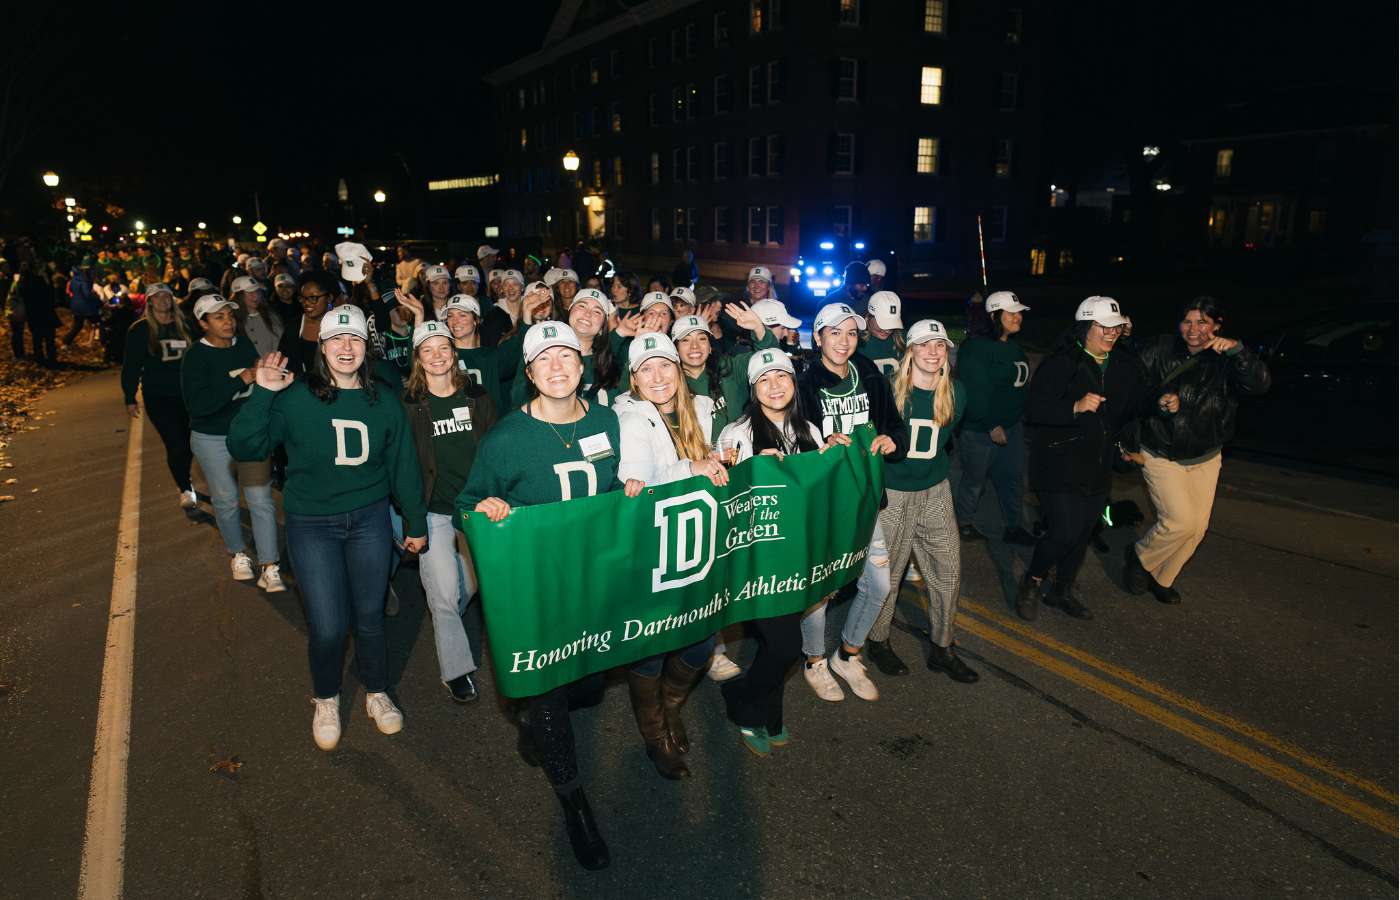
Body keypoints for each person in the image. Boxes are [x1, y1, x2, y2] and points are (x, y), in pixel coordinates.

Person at [457, 321, 645, 871]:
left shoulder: (607, 420)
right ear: (530, 372)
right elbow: (465, 504)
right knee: (551, 693)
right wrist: (483, 512)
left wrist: (625, 489)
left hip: (591, 582)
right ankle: (576, 806)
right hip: (535, 587)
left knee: (589, 680)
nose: (559, 367)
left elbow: (605, 490)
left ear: (582, 366)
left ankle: (530, 722)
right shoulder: (505, 439)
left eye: (567, 356)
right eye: (545, 360)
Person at [227, 304, 425, 750]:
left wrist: (414, 520)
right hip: (311, 524)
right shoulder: (295, 396)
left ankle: (377, 692)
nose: (346, 347)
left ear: (366, 347)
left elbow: (403, 466)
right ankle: (326, 698)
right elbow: (245, 446)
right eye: (335, 338)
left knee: (371, 618)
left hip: (371, 520)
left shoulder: (384, 400)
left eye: (354, 338)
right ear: (321, 347)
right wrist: (262, 392)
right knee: (329, 625)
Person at [613, 332, 727, 780]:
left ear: (679, 369)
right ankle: (655, 735)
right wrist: (691, 468)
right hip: (652, 546)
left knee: (700, 638)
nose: (658, 377)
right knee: (651, 646)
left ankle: (670, 706)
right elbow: (638, 486)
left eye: (665, 366)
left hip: (697, 540)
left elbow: (726, 450)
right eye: (646, 369)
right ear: (634, 379)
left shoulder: (700, 407)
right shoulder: (628, 416)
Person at [1021, 296, 1166, 621]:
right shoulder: (1063, 362)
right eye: (1105, 327)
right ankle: (1031, 580)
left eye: (1116, 327)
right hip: (1057, 463)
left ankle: (1062, 591)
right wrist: (1074, 407)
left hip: (1097, 464)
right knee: (1065, 533)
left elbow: (1138, 400)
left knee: (1083, 534)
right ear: (1086, 326)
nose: (1112, 333)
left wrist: (1160, 403)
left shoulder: (1121, 364)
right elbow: (1033, 410)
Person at [795, 302, 908, 701]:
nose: (844, 341)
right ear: (818, 337)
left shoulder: (869, 373)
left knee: (877, 584)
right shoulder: (803, 382)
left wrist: (893, 439)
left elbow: (894, 423)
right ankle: (814, 660)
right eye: (834, 332)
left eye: (851, 332)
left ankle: (847, 653)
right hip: (824, 504)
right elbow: (789, 441)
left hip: (864, 498)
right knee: (820, 592)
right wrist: (818, 445)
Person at [1123, 296, 1270, 603]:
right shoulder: (1157, 349)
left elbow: (1259, 385)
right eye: (1187, 321)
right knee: (1180, 522)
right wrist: (1159, 402)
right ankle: (1139, 557)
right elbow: (1130, 388)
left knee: (1197, 528)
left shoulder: (1228, 359)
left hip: (1206, 456)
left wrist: (1239, 353)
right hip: (1161, 450)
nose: (1193, 329)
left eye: (1203, 322)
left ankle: (1162, 576)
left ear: (1217, 326)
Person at [715, 349, 821, 754]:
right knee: (785, 646)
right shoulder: (737, 433)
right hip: (757, 563)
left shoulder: (809, 428)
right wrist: (752, 469)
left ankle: (768, 713)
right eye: (765, 380)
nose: (775, 386)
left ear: (794, 383)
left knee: (775, 645)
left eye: (783, 377)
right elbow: (727, 499)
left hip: (798, 557)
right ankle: (741, 700)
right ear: (753, 389)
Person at [862, 319, 978, 682]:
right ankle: (878, 641)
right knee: (889, 576)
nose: (932, 352)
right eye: (924, 345)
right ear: (909, 350)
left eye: (939, 345)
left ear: (947, 351)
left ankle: (942, 648)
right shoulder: (886, 392)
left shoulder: (957, 392)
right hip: (893, 493)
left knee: (948, 571)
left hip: (935, 490)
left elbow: (944, 443)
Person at [400, 320, 500, 702]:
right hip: (434, 513)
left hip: (474, 509)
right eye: (428, 350)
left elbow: (495, 450)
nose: (437, 356)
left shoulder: (477, 396)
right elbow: (403, 464)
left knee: (469, 588)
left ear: (455, 353)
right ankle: (456, 670)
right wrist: (412, 518)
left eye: (444, 348)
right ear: (418, 359)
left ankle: (446, 624)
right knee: (444, 593)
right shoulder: (408, 404)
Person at [181, 295, 282, 591]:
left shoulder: (244, 345)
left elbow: (258, 387)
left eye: (230, 315)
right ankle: (237, 554)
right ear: (203, 324)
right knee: (225, 502)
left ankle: (270, 565)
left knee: (261, 501)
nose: (228, 321)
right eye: (218, 317)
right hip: (212, 438)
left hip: (248, 436)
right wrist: (241, 379)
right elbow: (197, 405)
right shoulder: (195, 356)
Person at [955, 291, 1036, 546]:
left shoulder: (1012, 345)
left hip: (1012, 427)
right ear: (993, 315)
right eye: (1011, 312)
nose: (1018, 317)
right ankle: (963, 524)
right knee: (975, 482)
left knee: (1012, 478)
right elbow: (973, 389)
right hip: (983, 429)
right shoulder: (976, 347)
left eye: (1019, 312)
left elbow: (1019, 386)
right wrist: (991, 423)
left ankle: (1013, 527)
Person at [122, 283, 198, 510]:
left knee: (191, 444)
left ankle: (184, 476)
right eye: (157, 297)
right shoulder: (140, 330)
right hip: (159, 396)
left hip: (189, 394)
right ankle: (185, 488)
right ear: (149, 302)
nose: (163, 300)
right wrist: (129, 395)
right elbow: (131, 365)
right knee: (176, 444)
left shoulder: (186, 326)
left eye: (167, 296)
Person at [10, 261, 59, 366]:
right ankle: (52, 359)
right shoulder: (39, 280)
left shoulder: (20, 283)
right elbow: (48, 294)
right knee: (49, 338)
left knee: (37, 339)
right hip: (45, 311)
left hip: (32, 312)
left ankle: (40, 360)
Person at [230, 274, 284, 357]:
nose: (256, 295)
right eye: (250, 292)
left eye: (258, 291)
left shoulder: (272, 317)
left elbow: (283, 346)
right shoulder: (231, 321)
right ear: (239, 295)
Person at [860, 290, 905, 375]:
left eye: (892, 323)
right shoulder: (856, 342)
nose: (887, 330)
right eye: (883, 324)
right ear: (869, 316)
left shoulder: (902, 337)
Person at [480, 269, 524, 347]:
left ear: (522, 287)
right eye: (506, 284)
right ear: (502, 288)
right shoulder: (493, 316)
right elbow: (488, 346)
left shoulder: (530, 311)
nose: (510, 288)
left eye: (515, 284)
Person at [63, 261, 101, 348]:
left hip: (77, 305)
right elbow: (87, 294)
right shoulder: (86, 280)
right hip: (86, 306)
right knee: (98, 323)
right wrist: (99, 302)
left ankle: (66, 343)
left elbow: (71, 289)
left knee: (78, 326)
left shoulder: (74, 278)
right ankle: (105, 345)